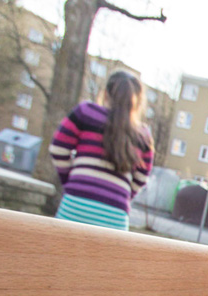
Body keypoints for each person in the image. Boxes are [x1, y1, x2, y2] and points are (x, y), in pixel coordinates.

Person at [49, 71, 154, 230]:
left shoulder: (85, 112)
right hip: (115, 215)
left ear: (105, 94)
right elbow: (141, 178)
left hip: (76, 203)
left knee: (59, 246)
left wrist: (71, 180)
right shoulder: (143, 135)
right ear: (138, 102)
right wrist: (121, 195)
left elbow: (58, 149)